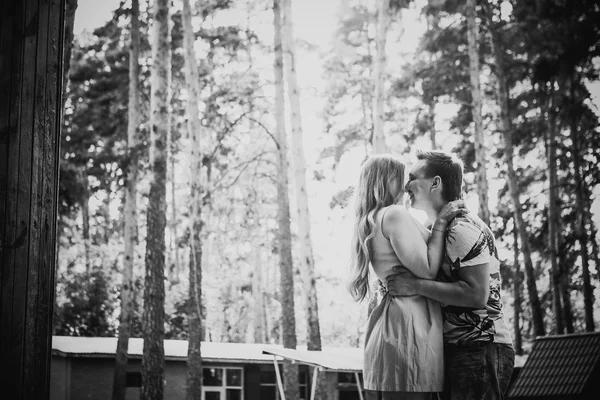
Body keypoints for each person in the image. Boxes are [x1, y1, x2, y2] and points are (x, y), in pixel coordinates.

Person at [386, 149, 515, 400]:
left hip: (480, 347)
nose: (406, 185)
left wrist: (415, 285)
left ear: (435, 183)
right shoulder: (437, 229)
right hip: (457, 348)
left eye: (412, 177)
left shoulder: (461, 228)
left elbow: (476, 294)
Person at [348, 154, 465, 400]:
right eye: (402, 178)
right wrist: (442, 221)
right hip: (409, 325)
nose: (406, 185)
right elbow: (427, 269)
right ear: (385, 180)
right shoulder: (394, 214)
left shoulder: (374, 219)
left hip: (396, 322)